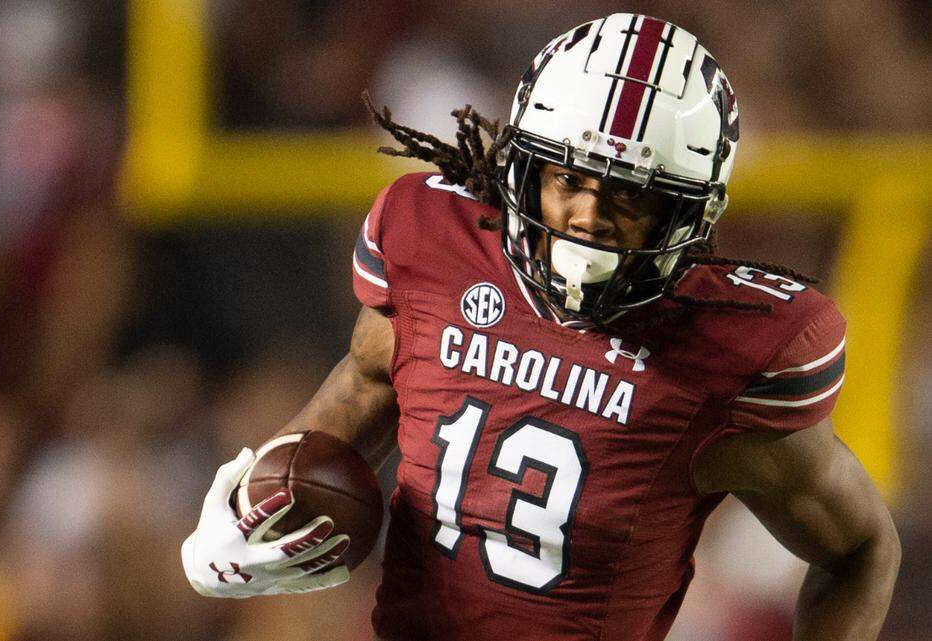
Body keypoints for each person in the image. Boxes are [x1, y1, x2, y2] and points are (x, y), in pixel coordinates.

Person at [180, 13, 900, 641]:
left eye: (629, 196)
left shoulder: (723, 356)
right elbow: (357, 394)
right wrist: (242, 519)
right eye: (570, 180)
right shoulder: (439, 254)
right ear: (526, 169)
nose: (589, 215)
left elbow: (862, 549)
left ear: (687, 215)